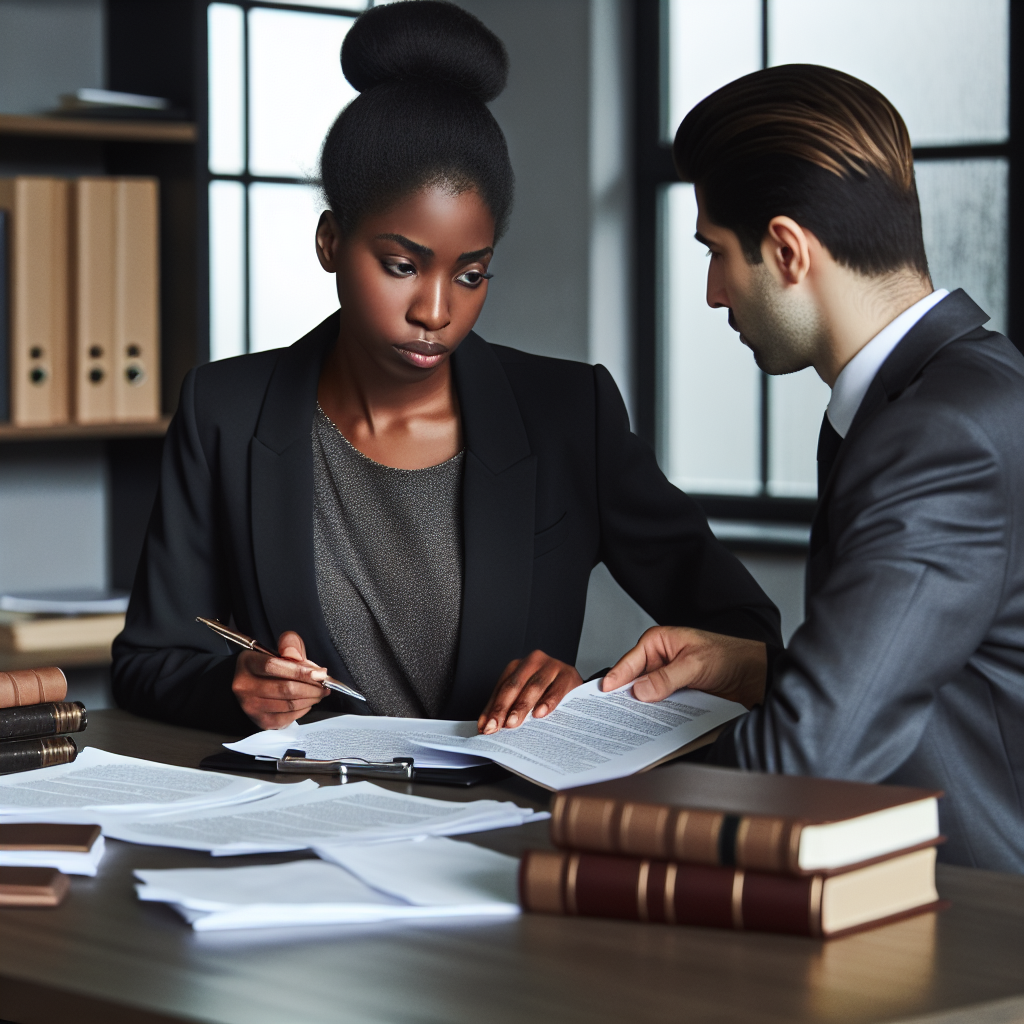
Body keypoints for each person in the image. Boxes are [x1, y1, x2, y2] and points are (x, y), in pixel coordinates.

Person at [112, 1, 780, 736]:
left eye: (471, 274)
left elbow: (746, 637)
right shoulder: (225, 411)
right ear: (330, 240)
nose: (436, 310)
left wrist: (588, 697)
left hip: (502, 830)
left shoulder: (567, 414)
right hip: (297, 823)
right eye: (402, 265)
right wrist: (235, 685)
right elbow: (148, 662)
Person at [600, 65, 1024, 872]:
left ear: (788, 250)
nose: (713, 294)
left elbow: (804, 759)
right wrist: (763, 669)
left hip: (981, 929)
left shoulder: (941, 435)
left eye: (717, 253)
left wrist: (563, 800)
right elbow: (940, 667)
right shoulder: (960, 389)